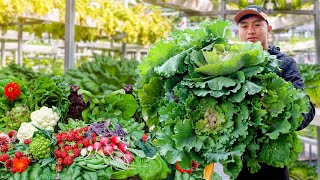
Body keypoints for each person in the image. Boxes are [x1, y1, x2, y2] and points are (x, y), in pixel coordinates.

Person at [233, 5, 316, 180]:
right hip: (235, 162)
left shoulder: (285, 64)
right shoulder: (230, 66)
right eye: (244, 26)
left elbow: (307, 110)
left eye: (257, 25)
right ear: (238, 30)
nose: (250, 31)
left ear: (268, 29)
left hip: (272, 161)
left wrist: (277, 112)